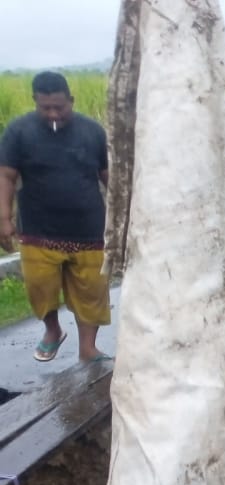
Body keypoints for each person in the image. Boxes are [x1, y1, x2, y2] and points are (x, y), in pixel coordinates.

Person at [0, 71, 110, 362]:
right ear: (35, 101)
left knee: (92, 291)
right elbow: (6, 176)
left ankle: (88, 348)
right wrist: (4, 218)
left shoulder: (92, 132)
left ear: (70, 100)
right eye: (45, 107)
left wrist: (126, 214)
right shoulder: (18, 132)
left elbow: (108, 175)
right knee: (39, 287)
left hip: (88, 229)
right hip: (38, 229)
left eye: (59, 107)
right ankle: (53, 330)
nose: (52, 114)